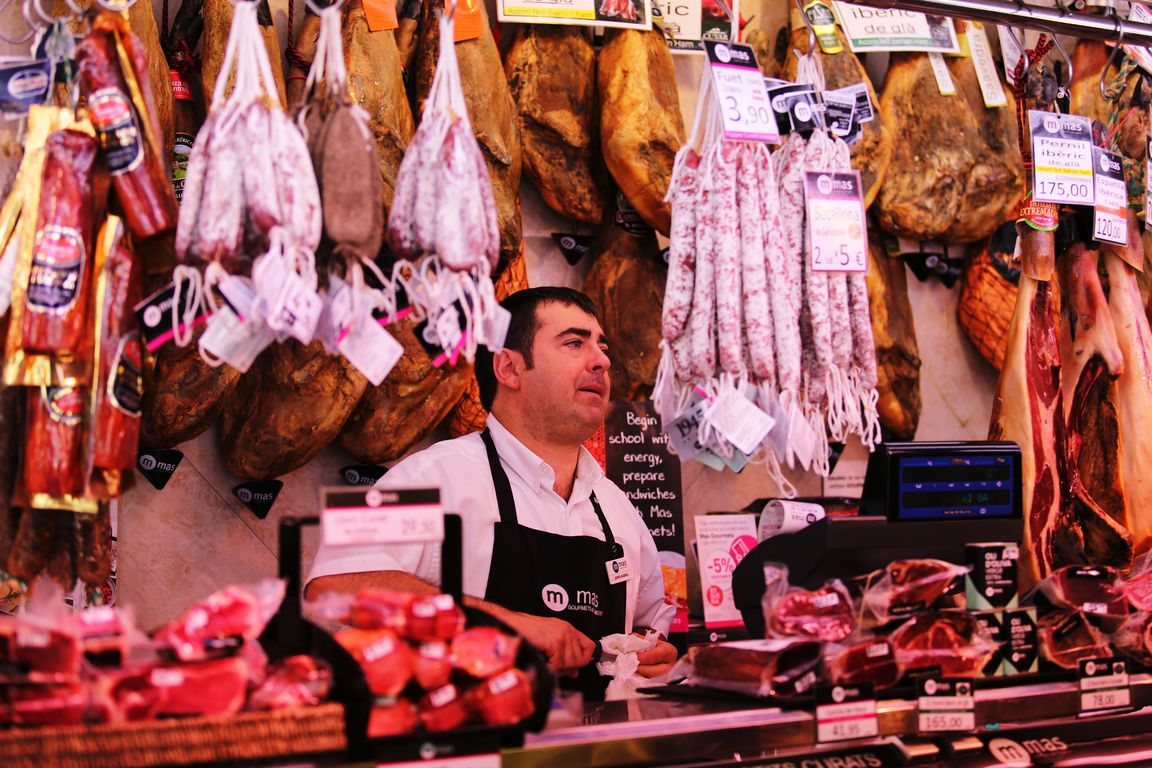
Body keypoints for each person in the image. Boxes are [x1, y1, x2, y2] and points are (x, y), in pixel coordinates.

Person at [307, 287, 678, 691]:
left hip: (596, 750)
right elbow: (331, 588)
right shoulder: (424, 476)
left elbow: (648, 625)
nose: (603, 360)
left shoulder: (617, 506)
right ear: (509, 369)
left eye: (601, 347)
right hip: (473, 746)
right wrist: (504, 624)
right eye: (574, 343)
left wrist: (650, 654)